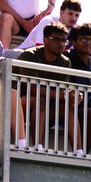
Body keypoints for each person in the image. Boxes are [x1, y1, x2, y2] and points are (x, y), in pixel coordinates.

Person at [15, 22, 82, 155]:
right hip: (18, 105)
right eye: (56, 39)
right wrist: (63, 95)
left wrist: (73, 96)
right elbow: (32, 89)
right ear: (45, 40)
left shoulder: (65, 61)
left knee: (68, 106)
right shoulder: (29, 56)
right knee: (41, 101)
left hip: (46, 106)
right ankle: (37, 146)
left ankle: (79, 151)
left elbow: (63, 91)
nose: (61, 43)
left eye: (64, 40)